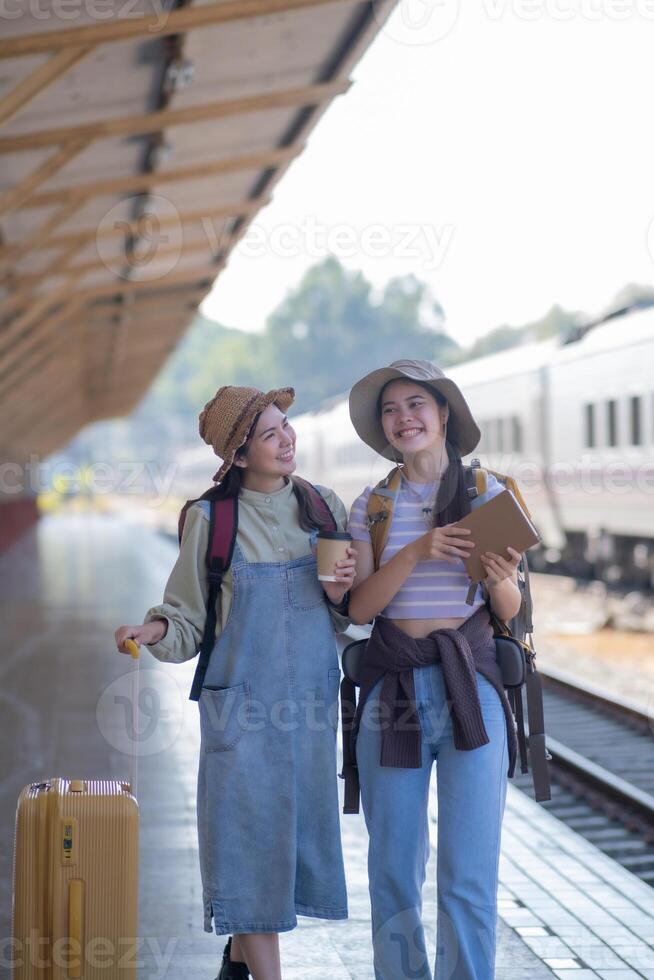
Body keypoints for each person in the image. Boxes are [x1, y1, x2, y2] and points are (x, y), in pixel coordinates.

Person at [115, 384, 356, 980]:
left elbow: (349, 612)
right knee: (248, 847)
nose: (287, 439)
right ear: (240, 455)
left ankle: (237, 962)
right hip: (240, 711)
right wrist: (155, 633)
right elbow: (188, 618)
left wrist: (342, 592)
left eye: (286, 426)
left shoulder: (323, 507)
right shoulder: (210, 518)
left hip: (307, 712)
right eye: (269, 434)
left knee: (290, 846)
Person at [345, 360, 521, 980]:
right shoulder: (373, 506)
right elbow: (360, 608)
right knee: (392, 870)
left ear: (444, 413)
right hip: (393, 688)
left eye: (416, 404)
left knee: (469, 871)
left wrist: (501, 580)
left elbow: (509, 608)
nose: (403, 419)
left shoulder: (486, 493)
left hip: (470, 682)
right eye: (391, 410)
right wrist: (418, 550)